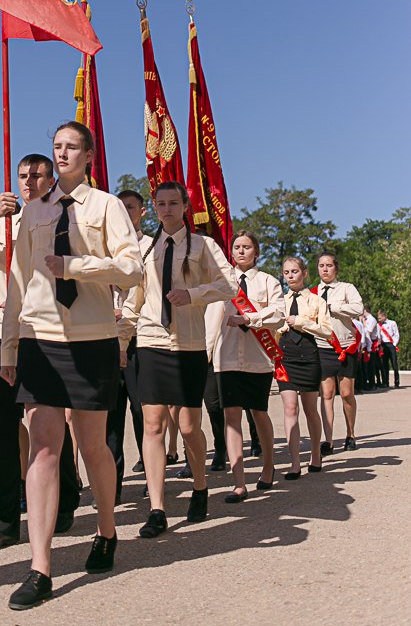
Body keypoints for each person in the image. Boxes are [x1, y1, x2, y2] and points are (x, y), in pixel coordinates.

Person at [1, 122, 143, 609]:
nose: (61, 154)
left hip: (92, 337)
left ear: (88, 155)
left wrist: (77, 266)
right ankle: (40, 565)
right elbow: (17, 279)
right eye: (56, 146)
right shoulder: (33, 211)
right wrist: (9, 347)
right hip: (40, 336)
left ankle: (106, 529)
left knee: (92, 444)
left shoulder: (105, 206)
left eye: (71, 147)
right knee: (44, 444)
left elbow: (132, 268)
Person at [0, 156, 80, 552]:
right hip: (3, 334)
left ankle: (65, 498)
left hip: (45, 332)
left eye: (37, 175)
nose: (29, 182)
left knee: (49, 421)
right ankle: (4, 520)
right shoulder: (3, 223)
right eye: (23, 175)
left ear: (51, 178)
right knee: (3, 427)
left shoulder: (65, 219)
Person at [118, 181, 236, 539]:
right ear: (154, 208)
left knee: (187, 427)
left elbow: (229, 285)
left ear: (185, 206)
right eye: (161, 204)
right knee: (153, 425)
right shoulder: (144, 249)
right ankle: (157, 508)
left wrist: (194, 294)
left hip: (188, 345)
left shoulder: (203, 246)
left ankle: (200, 487)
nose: (166, 209)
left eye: (173, 203)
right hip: (151, 342)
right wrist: (121, 342)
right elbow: (133, 301)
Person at [206, 231, 285, 501]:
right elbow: (210, 319)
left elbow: (278, 315)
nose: (241, 251)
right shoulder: (222, 281)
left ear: (256, 252)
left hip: (258, 358)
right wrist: (205, 353)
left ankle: (268, 465)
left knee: (259, 413)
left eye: (247, 247)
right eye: (237, 246)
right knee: (231, 417)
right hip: (226, 357)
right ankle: (239, 482)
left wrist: (250, 318)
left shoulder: (268, 281)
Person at [106, 189, 150, 495]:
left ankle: (152, 479)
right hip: (106, 339)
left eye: (130, 207)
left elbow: (146, 296)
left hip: (139, 342)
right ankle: (112, 485)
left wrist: (124, 339)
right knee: (110, 419)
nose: (125, 213)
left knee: (143, 413)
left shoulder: (151, 247)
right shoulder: (104, 247)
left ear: (142, 211)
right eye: (119, 208)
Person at [278, 257, 332, 479]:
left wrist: (301, 322)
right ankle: (294, 463)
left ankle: (316, 454)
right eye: (286, 272)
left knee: (310, 409)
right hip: (285, 358)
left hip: (309, 357)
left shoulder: (317, 300)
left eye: (294, 271)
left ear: (304, 273)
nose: (290, 276)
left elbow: (327, 331)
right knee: (290, 409)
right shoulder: (279, 300)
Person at [313, 253, 363, 454]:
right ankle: (328, 440)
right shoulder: (313, 293)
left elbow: (358, 308)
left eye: (329, 265)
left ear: (336, 268)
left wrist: (334, 307)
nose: (325, 269)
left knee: (346, 393)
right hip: (322, 347)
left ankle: (351, 434)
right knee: (326, 394)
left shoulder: (346, 288)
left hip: (345, 346)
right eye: (321, 266)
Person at [378, 310, 400, 388]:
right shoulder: (378, 325)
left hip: (391, 344)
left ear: (384, 316)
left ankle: (396, 381)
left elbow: (396, 334)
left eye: (380, 318)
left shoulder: (392, 323)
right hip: (383, 345)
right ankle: (385, 382)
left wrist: (394, 344)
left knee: (394, 364)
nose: (379, 319)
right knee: (384, 364)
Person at [362, 306, 381, 390]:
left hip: (371, 342)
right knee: (367, 364)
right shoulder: (366, 320)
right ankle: (368, 382)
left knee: (371, 364)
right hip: (367, 342)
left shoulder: (372, 319)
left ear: (365, 311)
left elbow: (368, 331)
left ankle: (372, 383)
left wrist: (363, 323)